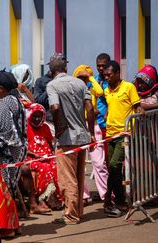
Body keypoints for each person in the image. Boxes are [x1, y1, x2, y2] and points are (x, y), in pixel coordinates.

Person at [46, 53, 96, 225]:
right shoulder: (80, 83)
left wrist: (59, 129)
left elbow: (54, 107)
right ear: (66, 68)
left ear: (51, 71)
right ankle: (77, 211)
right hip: (82, 136)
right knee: (79, 176)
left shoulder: (52, 85)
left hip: (66, 138)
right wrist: (91, 132)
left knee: (68, 179)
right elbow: (90, 108)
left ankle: (71, 215)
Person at [103, 60, 145, 217]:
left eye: (109, 74)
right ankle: (120, 200)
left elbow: (137, 106)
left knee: (114, 165)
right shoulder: (107, 90)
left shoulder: (129, 87)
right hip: (110, 134)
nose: (106, 77)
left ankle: (108, 200)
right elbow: (111, 106)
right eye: (105, 75)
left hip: (124, 134)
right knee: (114, 169)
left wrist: (140, 112)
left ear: (117, 73)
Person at [0, 70, 27, 238]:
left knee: (3, 187)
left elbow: (4, 131)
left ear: (0, 88)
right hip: (18, 149)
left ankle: (7, 228)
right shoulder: (16, 100)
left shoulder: (3, 103)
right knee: (11, 186)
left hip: (6, 151)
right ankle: (15, 225)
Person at [73, 65, 109, 204]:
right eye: (80, 77)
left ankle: (106, 196)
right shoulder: (72, 90)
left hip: (93, 127)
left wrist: (91, 78)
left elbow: (100, 91)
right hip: (78, 127)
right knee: (79, 165)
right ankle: (84, 195)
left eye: (85, 77)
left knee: (99, 163)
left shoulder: (92, 88)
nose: (83, 80)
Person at [22, 103, 60, 214]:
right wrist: (34, 155)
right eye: (34, 115)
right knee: (45, 168)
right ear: (30, 115)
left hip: (47, 156)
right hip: (31, 158)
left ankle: (54, 200)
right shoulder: (25, 127)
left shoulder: (46, 127)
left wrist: (53, 154)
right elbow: (23, 147)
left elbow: (49, 143)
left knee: (56, 166)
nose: (37, 118)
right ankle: (42, 199)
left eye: (39, 116)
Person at [34, 67, 54, 134]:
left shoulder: (64, 80)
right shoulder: (40, 81)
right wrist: (50, 87)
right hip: (49, 122)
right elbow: (38, 101)